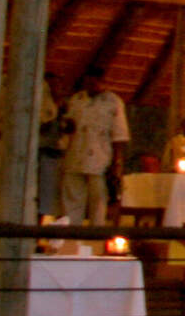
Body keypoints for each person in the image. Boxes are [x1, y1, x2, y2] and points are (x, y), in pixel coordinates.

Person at [60, 71, 129, 226]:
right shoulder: (77, 100)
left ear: (102, 81)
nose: (91, 86)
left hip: (100, 160)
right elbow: (68, 127)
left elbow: (119, 135)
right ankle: (71, 238)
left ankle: (95, 238)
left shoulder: (113, 102)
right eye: (88, 83)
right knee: (72, 200)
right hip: (75, 156)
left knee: (98, 202)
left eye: (94, 83)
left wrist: (117, 163)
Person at [34, 76, 66, 223]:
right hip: (42, 153)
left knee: (51, 196)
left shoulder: (64, 106)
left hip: (56, 156)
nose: (55, 89)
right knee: (38, 194)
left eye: (57, 86)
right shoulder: (43, 107)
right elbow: (42, 128)